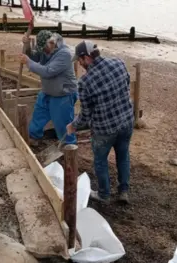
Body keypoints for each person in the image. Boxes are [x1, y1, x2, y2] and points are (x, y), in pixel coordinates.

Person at [66, 40, 134, 204]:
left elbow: (86, 114)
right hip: (126, 122)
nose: (80, 64)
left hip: (104, 130)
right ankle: (123, 191)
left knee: (100, 161)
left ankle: (104, 195)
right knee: (123, 155)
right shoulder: (119, 63)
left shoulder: (85, 82)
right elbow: (126, 85)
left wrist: (73, 126)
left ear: (87, 57)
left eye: (80, 60)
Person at [19, 30, 78, 145]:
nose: (44, 52)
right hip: (47, 91)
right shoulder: (46, 48)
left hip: (63, 94)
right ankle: (34, 137)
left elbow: (47, 71)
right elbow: (35, 57)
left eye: (44, 49)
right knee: (38, 116)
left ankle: (69, 146)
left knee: (63, 124)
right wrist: (26, 46)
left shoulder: (64, 54)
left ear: (51, 43)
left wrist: (28, 61)